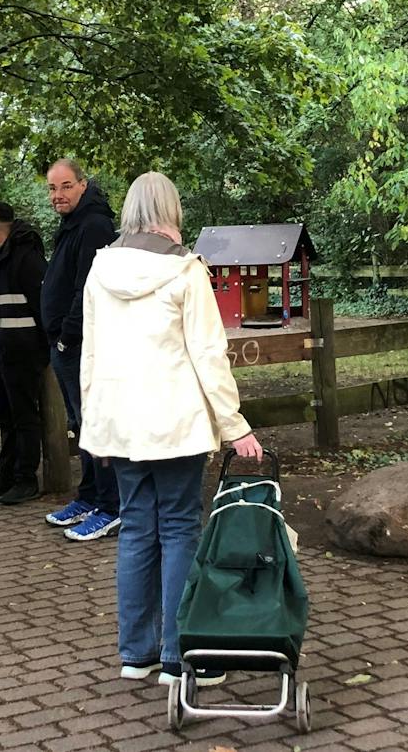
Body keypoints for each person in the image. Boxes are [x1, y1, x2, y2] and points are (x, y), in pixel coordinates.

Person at [80, 171, 262, 686]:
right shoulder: (186, 272)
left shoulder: (100, 270)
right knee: (180, 528)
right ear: (171, 210)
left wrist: (95, 428)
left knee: (137, 529)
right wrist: (236, 426)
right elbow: (209, 355)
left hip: (120, 424)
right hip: (175, 423)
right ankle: (185, 657)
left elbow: (90, 357)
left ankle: (137, 655)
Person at [39, 158, 122, 540]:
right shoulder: (71, 224)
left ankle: (111, 505)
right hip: (65, 342)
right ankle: (89, 496)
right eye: (53, 189)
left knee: (95, 424)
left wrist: (66, 335)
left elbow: (86, 286)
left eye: (66, 186)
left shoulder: (93, 224)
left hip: (80, 342)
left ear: (83, 185)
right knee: (80, 424)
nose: (58, 195)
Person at [0, 201, 49, 506]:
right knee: (5, 416)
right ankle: (6, 475)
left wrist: (42, 349)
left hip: (21, 352)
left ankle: (26, 479)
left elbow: (43, 305)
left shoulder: (26, 257)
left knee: (24, 416)